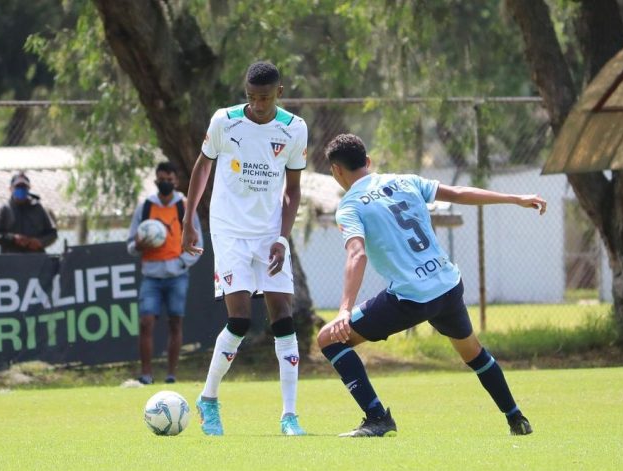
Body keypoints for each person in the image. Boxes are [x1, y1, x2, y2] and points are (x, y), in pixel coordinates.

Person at [318, 133, 547, 437]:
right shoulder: (406, 181)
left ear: (336, 171)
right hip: (447, 285)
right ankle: (516, 417)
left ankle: (377, 418)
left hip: (411, 297)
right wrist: (514, 198)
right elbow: (460, 192)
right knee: (474, 354)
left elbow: (356, 253)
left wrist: (344, 310)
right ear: (368, 162)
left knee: (329, 340)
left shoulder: (349, 206)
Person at [181, 61, 309, 436]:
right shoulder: (225, 121)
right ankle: (209, 399)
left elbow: (294, 189)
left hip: (268, 233)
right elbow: (202, 167)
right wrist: (189, 218)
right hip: (229, 230)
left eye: (265, 98)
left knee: (283, 314)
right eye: (251, 97)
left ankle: (289, 416)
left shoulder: (294, 128)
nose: (257, 104)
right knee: (239, 319)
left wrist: (282, 237)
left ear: (279, 93)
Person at [127, 161, 202, 385]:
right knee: (146, 322)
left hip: (177, 276)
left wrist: (181, 263)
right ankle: (147, 374)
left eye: (170, 180)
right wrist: (139, 245)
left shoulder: (184, 206)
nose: (165, 183)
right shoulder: (146, 207)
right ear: (155, 181)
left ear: (176, 181)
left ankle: (171, 374)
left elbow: (197, 242)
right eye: (162, 180)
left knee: (175, 322)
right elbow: (131, 243)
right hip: (151, 275)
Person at [0, 173, 58, 253]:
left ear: (29, 188)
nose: (21, 189)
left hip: (36, 258)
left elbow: (52, 233)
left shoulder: (39, 209)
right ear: (11, 189)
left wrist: (40, 242)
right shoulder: (3, 210)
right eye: (18, 186)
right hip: (10, 259)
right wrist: (12, 238)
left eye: (24, 187)